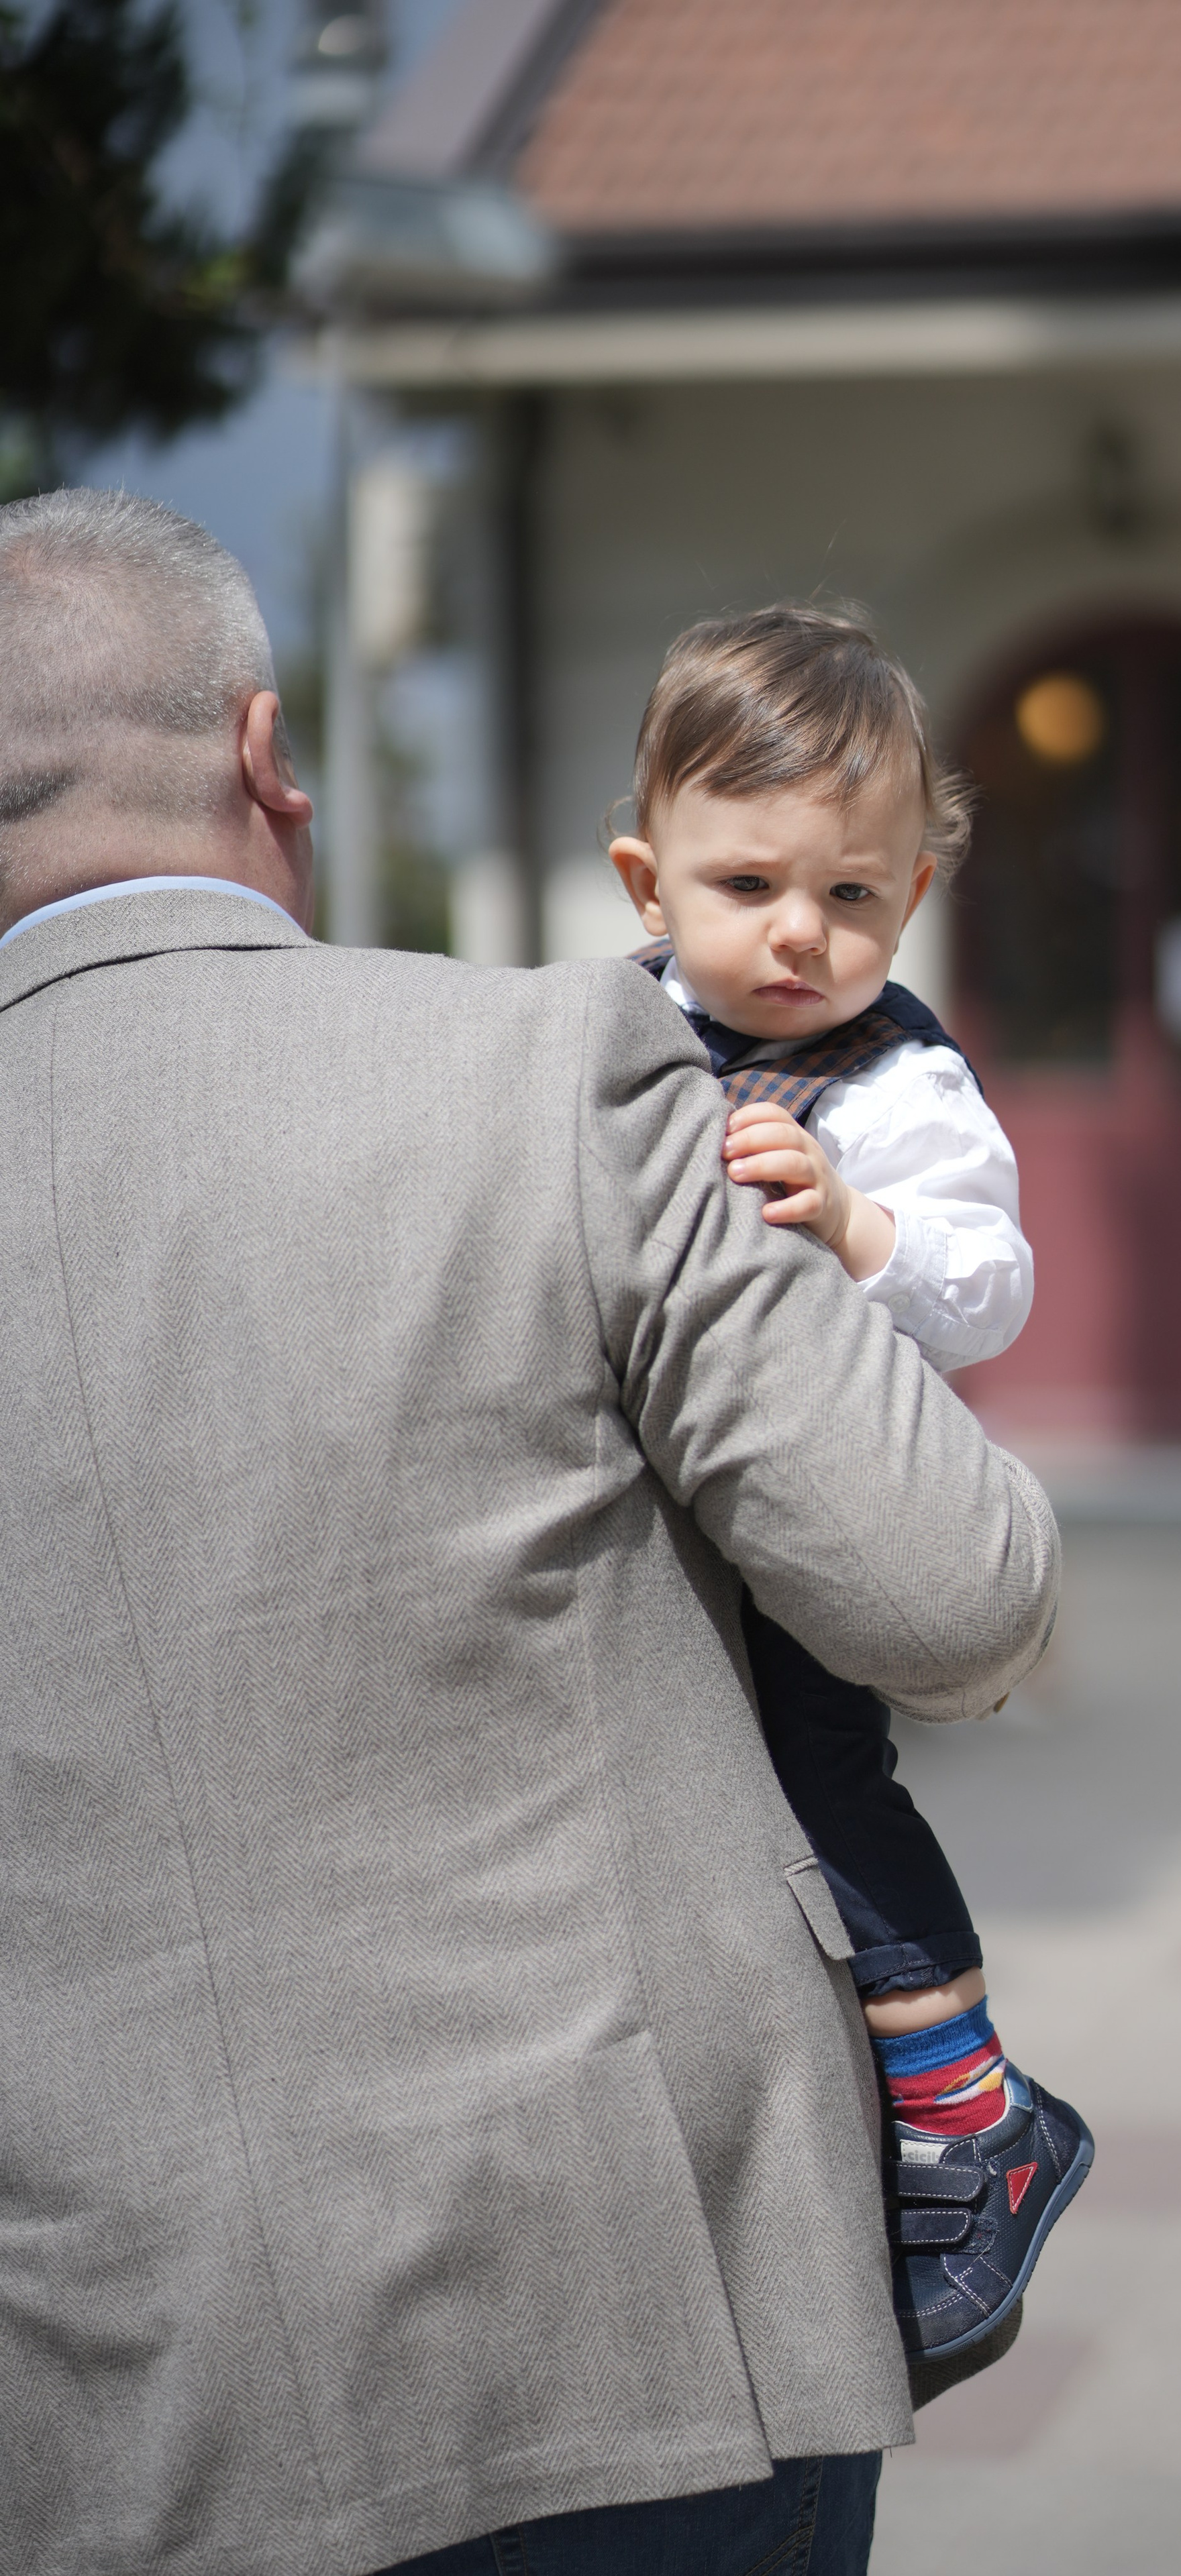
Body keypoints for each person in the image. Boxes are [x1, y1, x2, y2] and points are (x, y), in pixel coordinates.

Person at [0, 490, 1062, 2576]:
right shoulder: (552, 1071)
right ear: (265, 759)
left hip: (85, 2391)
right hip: (624, 2316)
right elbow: (959, 1591)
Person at [606, 607, 1094, 2371]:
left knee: (827, 1775)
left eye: (855, 898)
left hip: (815, 1512)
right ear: (645, 880)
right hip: (654, 1521)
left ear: (914, 896)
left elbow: (989, 1284)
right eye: (748, 889)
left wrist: (853, 1215)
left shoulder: (894, 1083)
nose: (802, 936)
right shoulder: (599, 1046)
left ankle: (974, 2112)